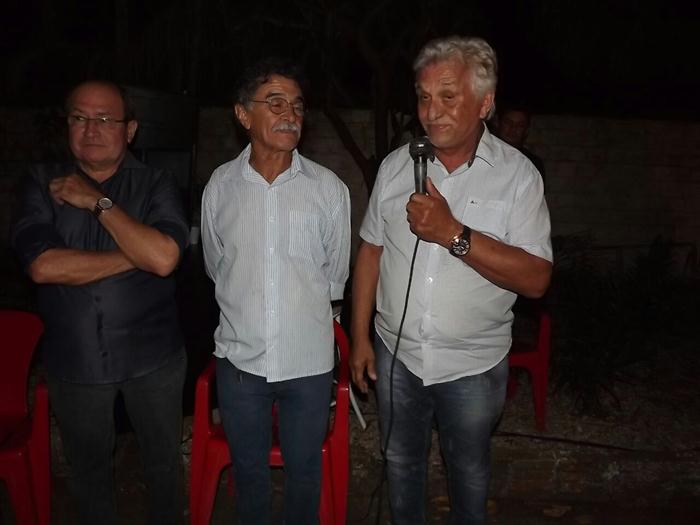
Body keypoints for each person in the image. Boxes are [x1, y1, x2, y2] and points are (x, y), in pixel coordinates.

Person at [350, 36, 552, 524]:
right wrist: (358, 337)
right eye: (423, 97)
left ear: (485, 103)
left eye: (447, 96)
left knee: (468, 472)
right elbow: (372, 250)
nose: (431, 111)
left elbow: (537, 279)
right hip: (397, 356)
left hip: (472, 365)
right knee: (401, 464)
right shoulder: (396, 166)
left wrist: (453, 234)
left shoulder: (519, 177)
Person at [11, 81, 189, 524]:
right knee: (88, 474)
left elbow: (165, 258)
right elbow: (43, 266)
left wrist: (97, 202)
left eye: (105, 118)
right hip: (76, 362)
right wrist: (139, 253)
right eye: (80, 117)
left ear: (130, 129)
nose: (91, 129)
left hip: (154, 359)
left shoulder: (158, 182)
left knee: (163, 466)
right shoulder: (41, 183)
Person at [200, 57, 350, 525]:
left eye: (297, 105)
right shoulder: (220, 186)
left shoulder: (329, 190)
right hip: (240, 364)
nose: (290, 114)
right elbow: (216, 266)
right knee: (249, 477)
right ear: (243, 114)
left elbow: (336, 277)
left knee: (305, 476)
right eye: (276, 103)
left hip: (307, 365)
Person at [496, 105, 547, 190]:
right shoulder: (483, 155)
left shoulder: (533, 164)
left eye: (520, 125)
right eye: (508, 123)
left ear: (526, 130)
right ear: (498, 123)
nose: (513, 128)